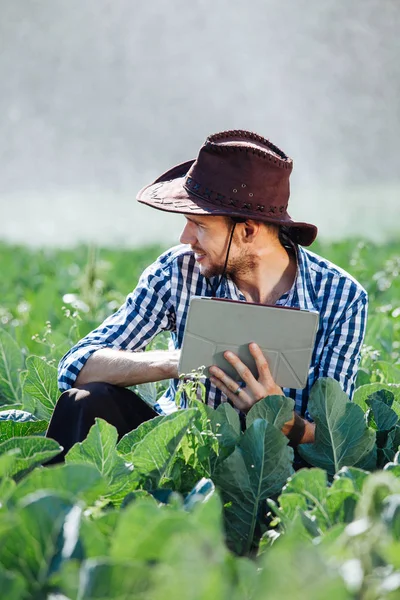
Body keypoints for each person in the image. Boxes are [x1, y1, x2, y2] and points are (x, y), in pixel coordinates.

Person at [46, 130, 368, 460]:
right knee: (84, 401)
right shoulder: (177, 270)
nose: (186, 237)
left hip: (274, 471)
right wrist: (179, 361)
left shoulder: (340, 297)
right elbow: (76, 365)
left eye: (198, 224)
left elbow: (332, 439)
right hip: (180, 455)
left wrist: (281, 419)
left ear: (247, 231)